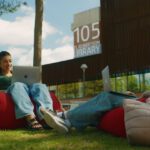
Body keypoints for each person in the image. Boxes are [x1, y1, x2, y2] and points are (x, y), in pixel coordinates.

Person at [0, 51, 68, 133]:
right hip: (11, 92)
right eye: (5, 61)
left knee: (40, 85)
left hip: (25, 90)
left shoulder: (17, 74)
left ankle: (47, 115)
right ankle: (30, 118)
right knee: (17, 85)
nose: (8, 63)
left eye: (10, 61)